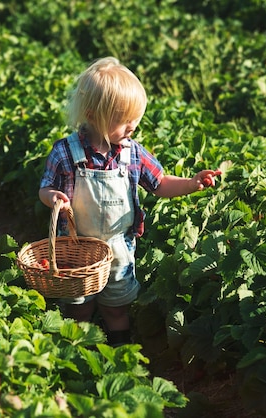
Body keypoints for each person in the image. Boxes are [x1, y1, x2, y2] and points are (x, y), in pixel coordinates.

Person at [38, 57, 221, 347]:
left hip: (117, 248)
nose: (132, 126)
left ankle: (119, 351)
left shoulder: (132, 153)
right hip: (76, 249)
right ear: (93, 115)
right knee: (78, 307)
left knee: (116, 307)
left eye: (134, 118)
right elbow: (45, 187)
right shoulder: (65, 153)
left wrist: (191, 183)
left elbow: (160, 184)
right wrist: (54, 198)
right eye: (123, 119)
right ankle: (76, 350)